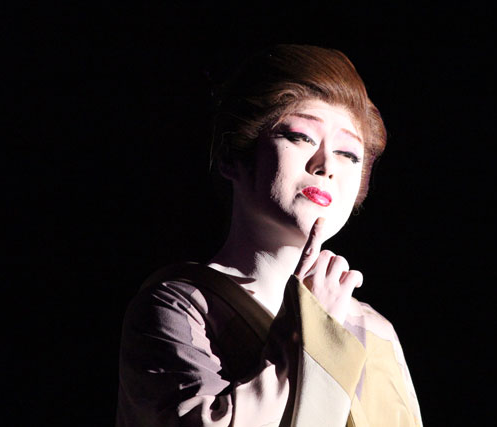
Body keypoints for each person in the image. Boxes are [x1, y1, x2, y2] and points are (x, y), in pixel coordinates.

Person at [116, 44, 423, 427]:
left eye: (349, 154)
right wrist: (312, 332)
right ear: (232, 155)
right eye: (300, 137)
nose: (326, 165)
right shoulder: (179, 306)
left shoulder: (376, 332)